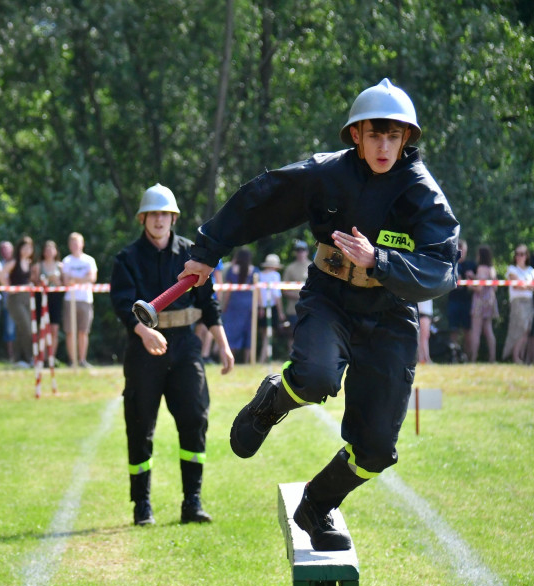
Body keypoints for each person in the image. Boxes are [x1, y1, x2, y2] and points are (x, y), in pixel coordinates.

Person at [178, 78, 459, 550]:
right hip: (330, 297)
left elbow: (444, 270)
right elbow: (260, 200)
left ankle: (317, 505)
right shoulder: (324, 174)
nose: (384, 146)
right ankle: (272, 402)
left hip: (390, 316)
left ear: (407, 138)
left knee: (374, 452)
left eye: (394, 136)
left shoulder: (422, 193)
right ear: (356, 135)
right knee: (315, 375)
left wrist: (381, 262)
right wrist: (208, 250)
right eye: (375, 135)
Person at [111, 183, 235, 526]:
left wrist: (222, 344)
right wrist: (143, 331)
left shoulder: (191, 257)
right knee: (139, 425)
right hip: (143, 348)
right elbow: (123, 304)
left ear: (173, 218)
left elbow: (207, 303)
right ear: (143, 219)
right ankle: (142, 506)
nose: (159, 219)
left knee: (195, 419)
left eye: (165, 213)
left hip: (185, 347)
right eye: (153, 214)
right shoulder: (126, 259)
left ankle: (192, 502)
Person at [61, 232, 98, 367]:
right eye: (72, 243)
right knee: (70, 331)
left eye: (77, 243)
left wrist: (74, 279)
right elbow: (66, 281)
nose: (75, 246)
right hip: (70, 299)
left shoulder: (89, 260)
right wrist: (83, 278)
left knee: (83, 331)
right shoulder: (67, 261)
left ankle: (82, 360)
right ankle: (72, 361)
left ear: (82, 244)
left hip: (86, 299)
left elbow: (92, 278)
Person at [1, 235, 35, 366]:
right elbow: (1, 274)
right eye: (25, 247)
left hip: (27, 298)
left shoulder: (29, 263)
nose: (27, 250)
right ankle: (27, 357)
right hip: (15, 299)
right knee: (26, 327)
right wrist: (8, 288)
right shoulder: (14, 262)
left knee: (23, 329)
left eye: (30, 248)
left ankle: (20, 359)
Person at [220, 248, 257, 364]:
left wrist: (224, 306)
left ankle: (231, 359)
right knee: (249, 332)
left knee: (231, 331)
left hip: (234, 304)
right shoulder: (254, 271)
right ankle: (248, 360)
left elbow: (229, 292)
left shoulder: (232, 270)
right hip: (250, 304)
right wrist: (260, 307)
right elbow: (258, 291)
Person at [32, 239, 64, 362]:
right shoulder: (38, 266)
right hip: (41, 297)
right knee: (42, 329)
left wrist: (56, 280)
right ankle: (40, 357)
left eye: (52, 249)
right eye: (47, 249)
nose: (49, 252)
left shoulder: (60, 266)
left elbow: (64, 284)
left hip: (55, 298)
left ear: (56, 251)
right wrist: (41, 281)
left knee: (54, 329)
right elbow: (33, 281)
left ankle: (51, 357)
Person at [503, 244, 534, 363]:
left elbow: (530, 286)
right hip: (517, 302)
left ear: (526, 256)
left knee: (526, 330)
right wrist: (528, 285)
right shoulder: (512, 268)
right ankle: (516, 358)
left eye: (521, 254)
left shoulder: (531, 270)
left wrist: (524, 285)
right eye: (517, 254)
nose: (518, 257)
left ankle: (520, 357)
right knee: (519, 329)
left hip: (529, 302)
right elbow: (516, 285)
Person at [467, 244, 498, 363]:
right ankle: (492, 358)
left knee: (476, 331)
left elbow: (479, 288)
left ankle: (473, 359)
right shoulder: (492, 269)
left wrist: (470, 285)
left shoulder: (481, 268)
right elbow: (494, 287)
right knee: (489, 331)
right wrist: (474, 277)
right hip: (490, 301)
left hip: (479, 301)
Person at [446, 239, 476, 360]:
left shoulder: (471, 265)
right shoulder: (451, 264)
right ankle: (453, 357)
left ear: (466, 250)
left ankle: (469, 358)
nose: (460, 251)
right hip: (453, 301)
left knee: (468, 331)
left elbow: (479, 287)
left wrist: (472, 278)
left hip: (467, 302)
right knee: (453, 330)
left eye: (462, 248)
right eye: (458, 248)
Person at [257, 253, 287, 363]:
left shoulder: (259, 275)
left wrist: (260, 307)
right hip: (271, 307)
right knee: (269, 335)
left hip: (260, 307)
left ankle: (262, 358)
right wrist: (281, 312)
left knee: (263, 334)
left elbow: (258, 293)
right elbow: (277, 295)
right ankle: (262, 359)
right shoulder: (275, 276)